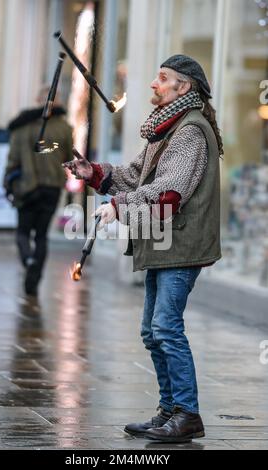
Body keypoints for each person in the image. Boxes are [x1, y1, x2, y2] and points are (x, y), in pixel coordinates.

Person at [65, 55, 223, 443]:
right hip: (164, 243)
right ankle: (170, 410)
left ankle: (187, 414)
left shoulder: (189, 131)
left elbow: (170, 194)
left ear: (183, 88)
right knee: (153, 332)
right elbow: (136, 177)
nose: (154, 84)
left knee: (166, 328)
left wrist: (118, 207)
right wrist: (96, 174)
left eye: (163, 78)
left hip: (181, 243)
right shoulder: (167, 128)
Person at [4, 86, 73, 297]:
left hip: (27, 187)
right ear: (58, 103)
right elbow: (68, 157)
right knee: (41, 235)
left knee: (23, 232)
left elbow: (12, 159)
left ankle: (28, 260)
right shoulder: (64, 128)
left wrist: (7, 183)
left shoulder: (22, 127)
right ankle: (33, 280)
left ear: (37, 100)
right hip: (52, 188)